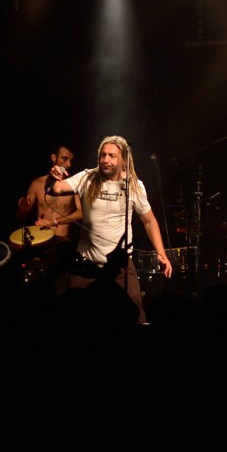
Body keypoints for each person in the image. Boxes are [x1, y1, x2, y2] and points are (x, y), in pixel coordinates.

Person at [46, 135, 171, 324]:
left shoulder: (133, 185)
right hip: (86, 263)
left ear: (123, 160)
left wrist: (161, 253)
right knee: (69, 317)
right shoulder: (87, 177)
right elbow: (55, 189)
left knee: (136, 318)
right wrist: (53, 175)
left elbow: (149, 221)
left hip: (119, 266)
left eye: (112, 155)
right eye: (103, 155)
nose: (106, 159)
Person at [16, 144, 83, 241]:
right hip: (41, 240)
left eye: (71, 160)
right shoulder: (37, 184)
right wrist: (22, 210)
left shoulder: (73, 185)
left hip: (62, 240)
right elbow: (21, 217)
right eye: (64, 159)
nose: (69, 164)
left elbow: (82, 213)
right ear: (53, 157)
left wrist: (54, 221)